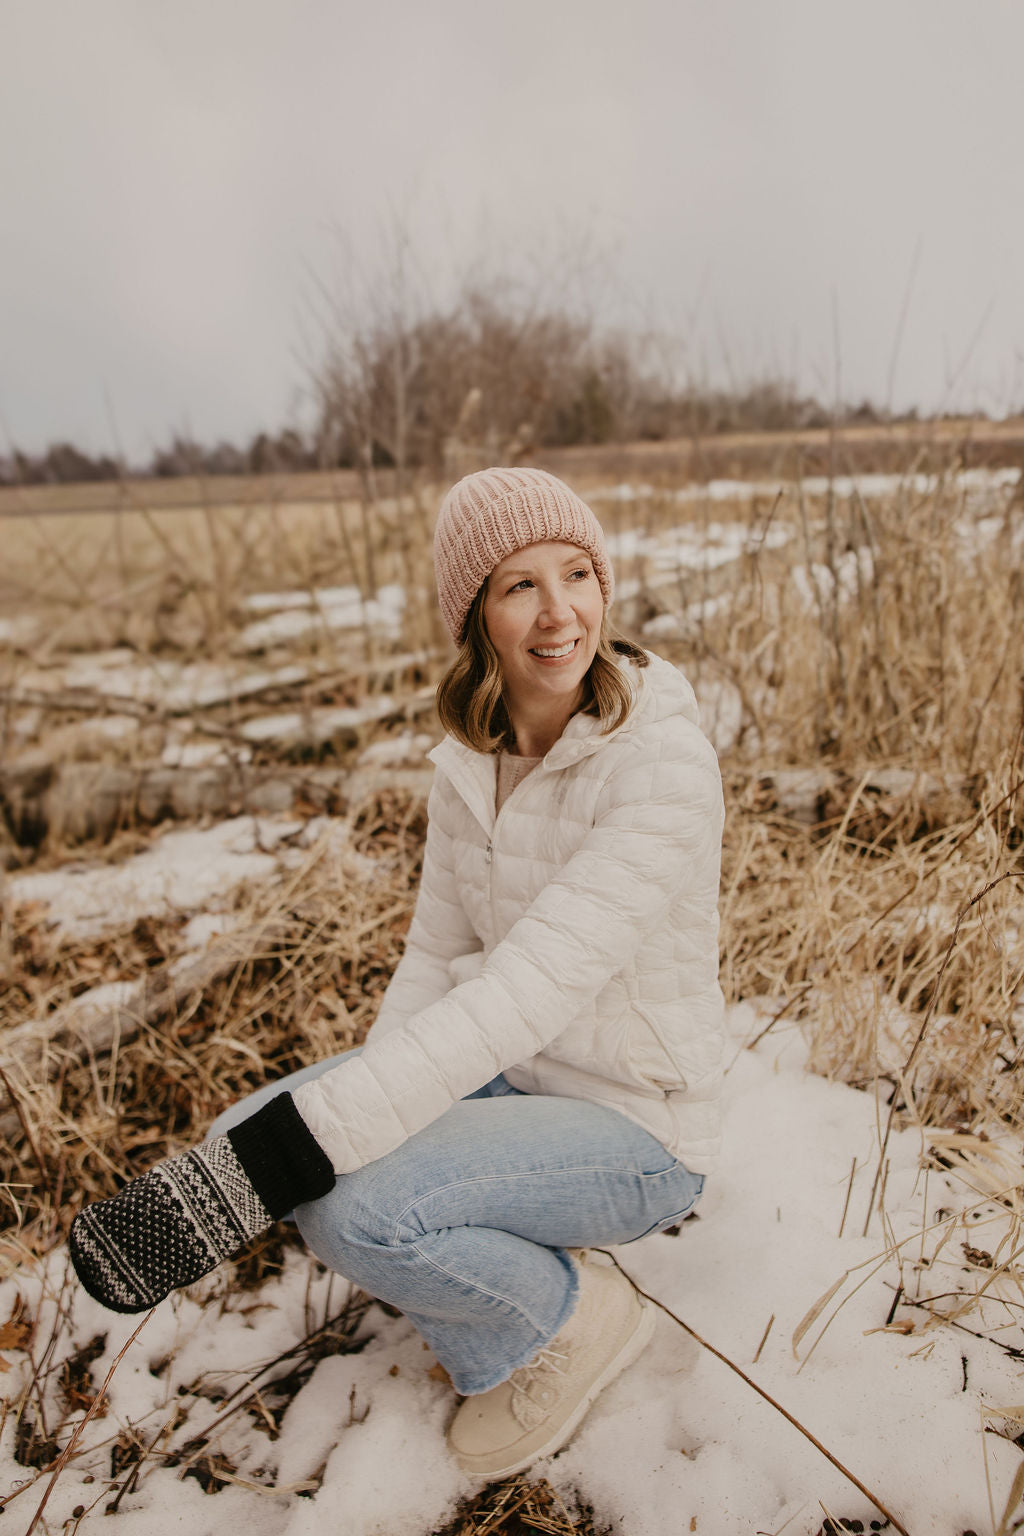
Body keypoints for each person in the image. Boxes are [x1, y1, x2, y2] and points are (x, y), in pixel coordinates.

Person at [69, 466, 725, 1480]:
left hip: (636, 1121)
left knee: (352, 1203)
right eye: (519, 587)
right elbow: (433, 952)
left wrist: (337, 1144)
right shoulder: (470, 761)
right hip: (519, 1080)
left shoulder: (662, 766)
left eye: (580, 574)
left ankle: (562, 1318)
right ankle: (481, 1250)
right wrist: (363, 1115)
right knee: (249, 1140)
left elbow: (529, 987)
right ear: (474, 617)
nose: (561, 614)